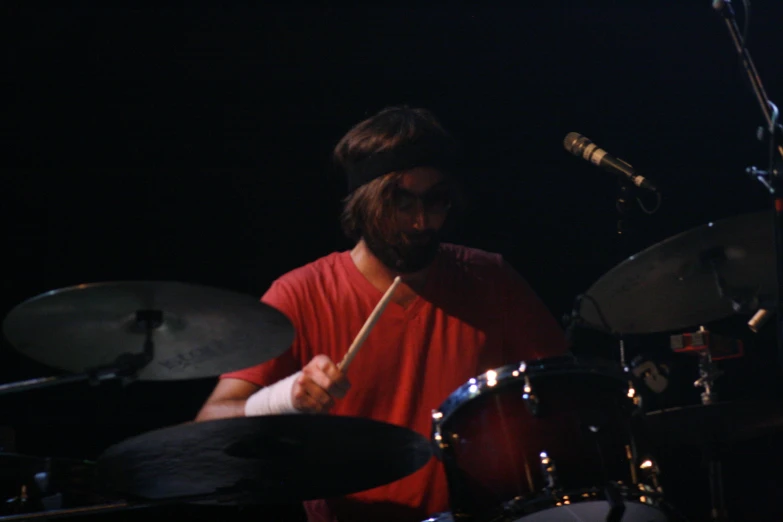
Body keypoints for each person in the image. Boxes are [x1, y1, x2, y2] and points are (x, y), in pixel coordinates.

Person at [195, 105, 569, 522]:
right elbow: (209, 423)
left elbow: (563, 398)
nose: (421, 222)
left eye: (436, 200)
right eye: (400, 203)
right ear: (362, 205)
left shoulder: (491, 279)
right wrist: (283, 398)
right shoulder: (299, 294)